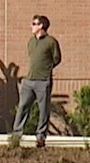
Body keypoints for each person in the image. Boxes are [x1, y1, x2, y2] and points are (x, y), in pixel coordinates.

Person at [12, 14, 61, 148]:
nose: (31, 26)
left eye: (34, 24)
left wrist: (47, 69)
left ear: (41, 26)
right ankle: (16, 134)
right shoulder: (31, 41)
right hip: (29, 80)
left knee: (43, 109)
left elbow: (57, 58)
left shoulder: (51, 42)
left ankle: (40, 136)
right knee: (22, 106)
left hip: (43, 81)